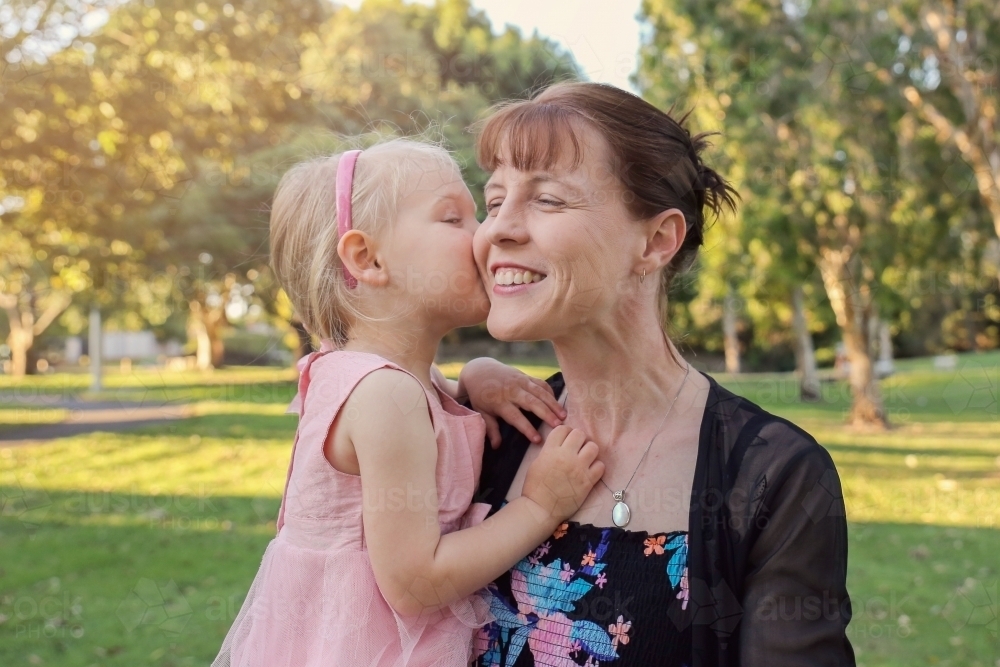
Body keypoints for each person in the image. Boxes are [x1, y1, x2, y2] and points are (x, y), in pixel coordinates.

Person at [471, 83, 855, 667]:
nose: (498, 228)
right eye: (494, 201)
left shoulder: (775, 479)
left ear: (656, 240)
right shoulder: (482, 435)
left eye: (547, 200)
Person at [211, 138, 606, 667]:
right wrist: (541, 506)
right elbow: (417, 582)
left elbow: (430, 417)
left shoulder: (377, 377)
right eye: (452, 218)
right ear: (368, 258)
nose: (483, 234)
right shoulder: (386, 395)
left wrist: (474, 379)